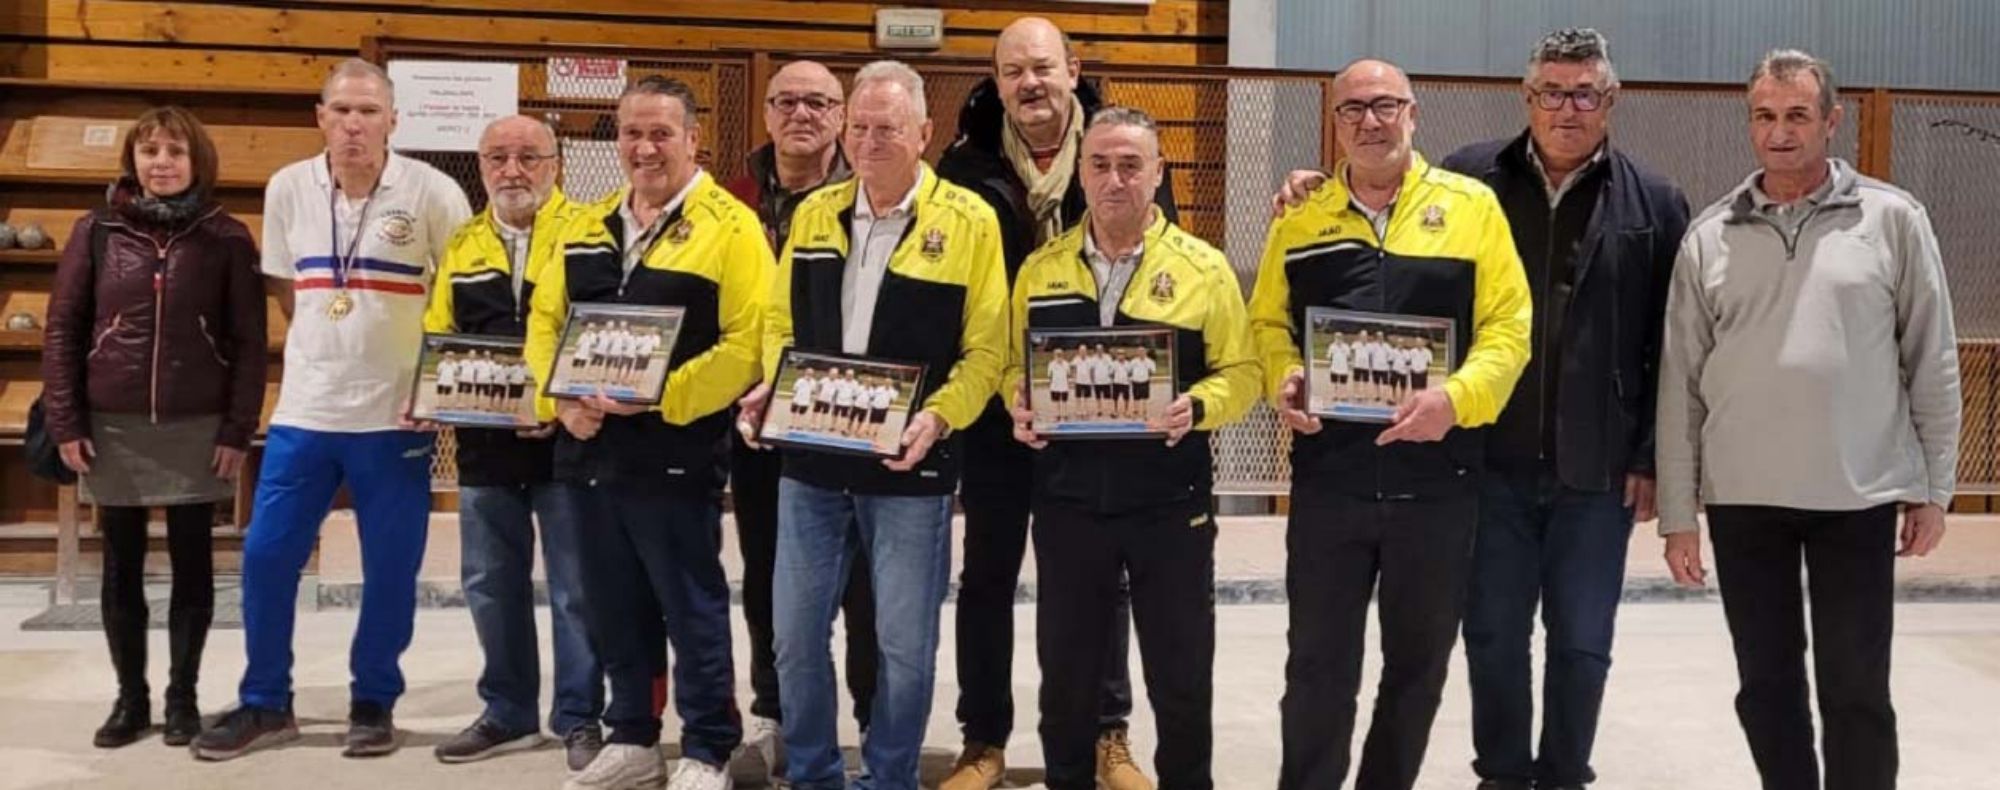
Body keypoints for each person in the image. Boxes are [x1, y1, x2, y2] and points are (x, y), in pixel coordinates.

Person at [1657, 49, 1959, 790]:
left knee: (1856, 690)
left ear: (1832, 120)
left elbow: (1932, 359)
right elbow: (1680, 383)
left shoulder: (1893, 220)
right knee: (1766, 687)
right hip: (1744, 499)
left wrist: (1934, 487)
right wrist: (1678, 513)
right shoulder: (1709, 235)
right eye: (1765, 116)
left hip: (1856, 495)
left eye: (1797, 115)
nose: (1780, 132)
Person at [1247, 58, 1531, 790]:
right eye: (1352, 109)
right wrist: (1284, 374)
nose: (1370, 122)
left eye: (1385, 106)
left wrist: (1456, 400)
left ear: (1413, 112)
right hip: (1330, 482)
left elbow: (1509, 329)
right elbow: (1268, 321)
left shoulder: (1471, 208)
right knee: (1317, 666)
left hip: (1438, 484)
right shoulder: (1300, 217)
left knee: (1418, 666)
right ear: (1334, 122)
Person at [1430, 29, 1694, 790]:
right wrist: (1313, 184)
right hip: (1487, 461)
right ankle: (1502, 774)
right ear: (1527, 97)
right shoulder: (1468, 181)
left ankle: (1566, 773)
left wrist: (1650, 456)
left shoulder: (1656, 202)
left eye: (1584, 94)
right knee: (1492, 635)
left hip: (1598, 474)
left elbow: (1671, 345)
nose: (1567, 109)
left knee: (1581, 641)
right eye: (1552, 92)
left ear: (1611, 100)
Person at [737, 59, 1007, 790]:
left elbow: (987, 350)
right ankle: (815, 775)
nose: (868, 141)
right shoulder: (816, 214)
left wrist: (940, 417)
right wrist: (775, 387)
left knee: (903, 647)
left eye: (886, 128)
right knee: (794, 637)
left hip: (910, 469)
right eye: (858, 127)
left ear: (923, 133)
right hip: (812, 464)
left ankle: (889, 777)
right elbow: (778, 320)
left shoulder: (970, 221)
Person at [192, 59, 471, 762]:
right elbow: (291, 293)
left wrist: (430, 389)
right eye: (341, 110)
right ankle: (266, 701)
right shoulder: (288, 186)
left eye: (369, 111)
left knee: (390, 568)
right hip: (306, 412)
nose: (354, 124)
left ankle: (374, 700)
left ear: (394, 120)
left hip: (394, 418)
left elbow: (462, 301)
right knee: (267, 556)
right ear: (320, 117)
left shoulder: (434, 192)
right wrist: (333, 351)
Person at [934, 19, 1181, 789]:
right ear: (997, 80)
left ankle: (1107, 735)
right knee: (987, 576)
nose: (1029, 83)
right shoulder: (963, 162)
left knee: (1100, 577)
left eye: (1042, 67)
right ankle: (983, 740)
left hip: (1097, 402)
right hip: (1000, 405)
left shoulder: (1119, 145)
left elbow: (1162, 256)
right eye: (1013, 71)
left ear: (1073, 70)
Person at [1005, 105, 1260, 790]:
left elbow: (1243, 374)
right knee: (1066, 673)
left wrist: (1197, 406)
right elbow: (1008, 366)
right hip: (1067, 502)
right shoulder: (1040, 270)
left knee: (1181, 672)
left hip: (1169, 504)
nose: (1114, 179)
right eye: (1100, 164)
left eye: (1129, 165)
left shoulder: (1204, 269)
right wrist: (1018, 403)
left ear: (1157, 173)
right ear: (1080, 173)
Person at [523, 75, 767, 790]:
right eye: (632, 133)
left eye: (662, 133)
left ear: (693, 139)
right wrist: (560, 399)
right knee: (611, 604)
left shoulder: (731, 226)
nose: (645, 147)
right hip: (588, 450)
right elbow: (544, 322)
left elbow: (749, 344)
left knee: (689, 605)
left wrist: (661, 398)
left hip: (677, 453)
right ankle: (631, 735)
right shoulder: (584, 224)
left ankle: (709, 746)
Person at [41, 105, 266, 750]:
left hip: (197, 422)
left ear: (197, 161)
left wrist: (237, 429)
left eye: (174, 151)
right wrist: (65, 419)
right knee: (121, 564)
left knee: (193, 564)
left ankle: (182, 699)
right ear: (132, 161)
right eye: (149, 151)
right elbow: (62, 329)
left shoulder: (226, 236)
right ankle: (130, 700)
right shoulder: (96, 231)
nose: (161, 163)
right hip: (111, 423)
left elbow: (249, 342)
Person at [421, 115, 607, 771]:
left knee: (577, 587)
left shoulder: (590, 232)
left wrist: (558, 404)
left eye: (529, 156)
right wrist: (431, 395)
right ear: (480, 166)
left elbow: (598, 331)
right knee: (489, 584)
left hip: (570, 445)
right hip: (486, 450)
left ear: (557, 164)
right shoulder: (463, 242)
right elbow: (440, 337)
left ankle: (580, 717)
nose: (512, 170)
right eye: (498, 157)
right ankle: (507, 712)